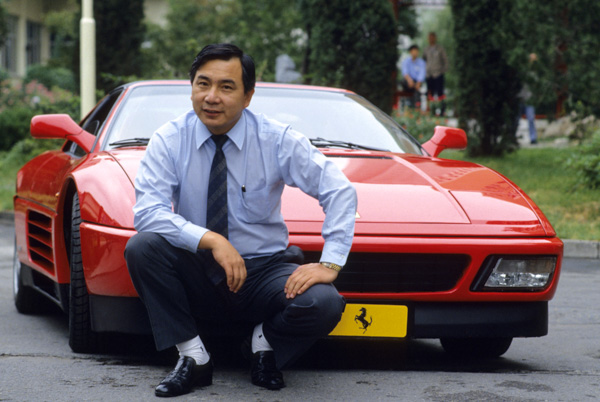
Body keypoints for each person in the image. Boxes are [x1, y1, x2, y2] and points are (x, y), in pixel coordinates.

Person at [124, 43, 357, 398]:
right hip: (198, 270)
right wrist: (212, 240)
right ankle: (193, 357)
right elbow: (148, 213)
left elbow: (339, 190)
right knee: (143, 247)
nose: (211, 97)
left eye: (226, 87)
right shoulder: (169, 139)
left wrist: (331, 261)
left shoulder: (276, 139)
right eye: (202, 84)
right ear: (192, 89)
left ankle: (262, 345)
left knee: (324, 302)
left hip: (263, 273)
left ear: (248, 96)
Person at [423, 32, 448, 116]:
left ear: (435, 38)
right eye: (430, 37)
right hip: (429, 75)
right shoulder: (426, 49)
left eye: (432, 37)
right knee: (430, 93)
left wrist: (442, 70)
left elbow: (445, 60)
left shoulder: (440, 49)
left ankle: (442, 111)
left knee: (440, 93)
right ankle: (431, 111)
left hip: (438, 74)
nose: (431, 39)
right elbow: (424, 60)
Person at [517, 53, 539, 144]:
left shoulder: (534, 75)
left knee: (531, 119)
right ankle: (512, 138)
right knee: (516, 119)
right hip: (519, 98)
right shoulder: (520, 72)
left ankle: (533, 138)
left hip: (529, 100)